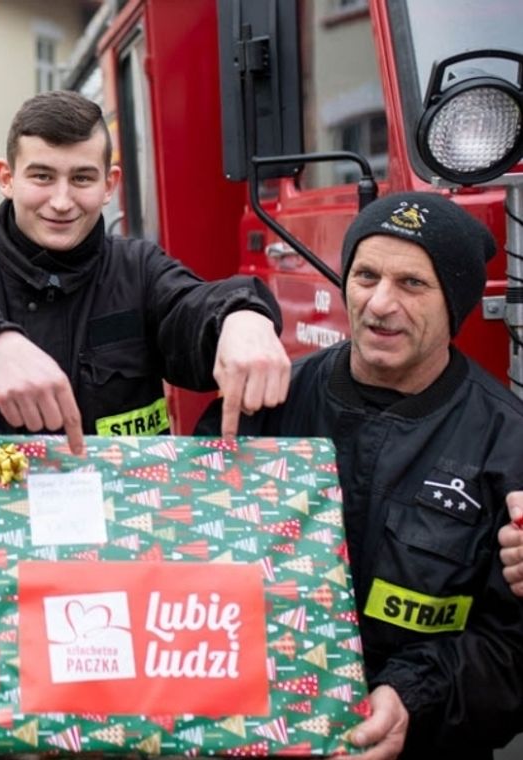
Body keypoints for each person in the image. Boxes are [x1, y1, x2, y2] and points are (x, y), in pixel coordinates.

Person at [0, 90, 292, 759]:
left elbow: (197, 307)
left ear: (110, 183)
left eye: (81, 178)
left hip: (116, 594)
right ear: (7, 178)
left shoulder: (140, 271)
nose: (61, 200)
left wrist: (243, 316)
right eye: (41, 176)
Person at [198, 191, 523, 759]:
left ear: (457, 304)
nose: (380, 303)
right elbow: (181, 560)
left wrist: (412, 699)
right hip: (256, 730)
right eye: (366, 275)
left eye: (413, 284)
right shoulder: (263, 405)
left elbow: (509, 650)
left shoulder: (507, 444)